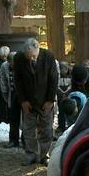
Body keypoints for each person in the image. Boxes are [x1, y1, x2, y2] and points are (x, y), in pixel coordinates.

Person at [14, 38, 58, 166]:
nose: (32, 59)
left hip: (45, 99)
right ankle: (31, 154)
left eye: (34, 56)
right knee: (28, 129)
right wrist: (23, 101)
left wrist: (50, 100)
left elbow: (53, 79)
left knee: (47, 129)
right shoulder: (19, 58)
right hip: (28, 100)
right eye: (29, 57)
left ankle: (45, 155)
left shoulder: (48, 56)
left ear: (38, 48)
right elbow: (18, 81)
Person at [0, 52, 23, 148]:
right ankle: (13, 140)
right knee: (13, 118)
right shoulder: (4, 66)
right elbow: (2, 80)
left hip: (24, 95)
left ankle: (25, 141)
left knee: (26, 119)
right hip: (12, 94)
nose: (12, 65)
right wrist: (5, 95)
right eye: (10, 63)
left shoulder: (23, 64)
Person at [57, 62, 72, 133]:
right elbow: (56, 86)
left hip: (68, 96)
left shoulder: (70, 76)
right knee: (61, 112)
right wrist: (61, 93)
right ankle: (61, 126)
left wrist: (66, 92)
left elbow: (71, 85)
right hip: (60, 97)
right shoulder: (58, 76)